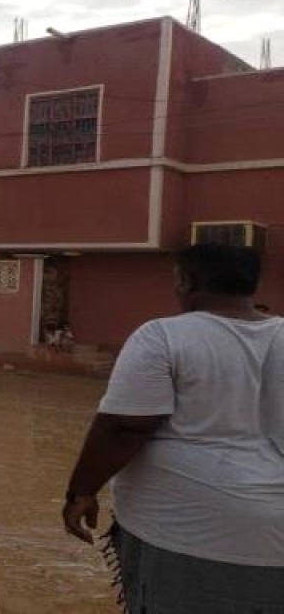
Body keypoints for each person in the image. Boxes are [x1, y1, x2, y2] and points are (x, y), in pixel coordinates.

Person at [62, 244, 284, 611]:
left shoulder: (163, 336)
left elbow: (124, 427)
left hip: (189, 529)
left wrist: (81, 491)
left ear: (185, 281)